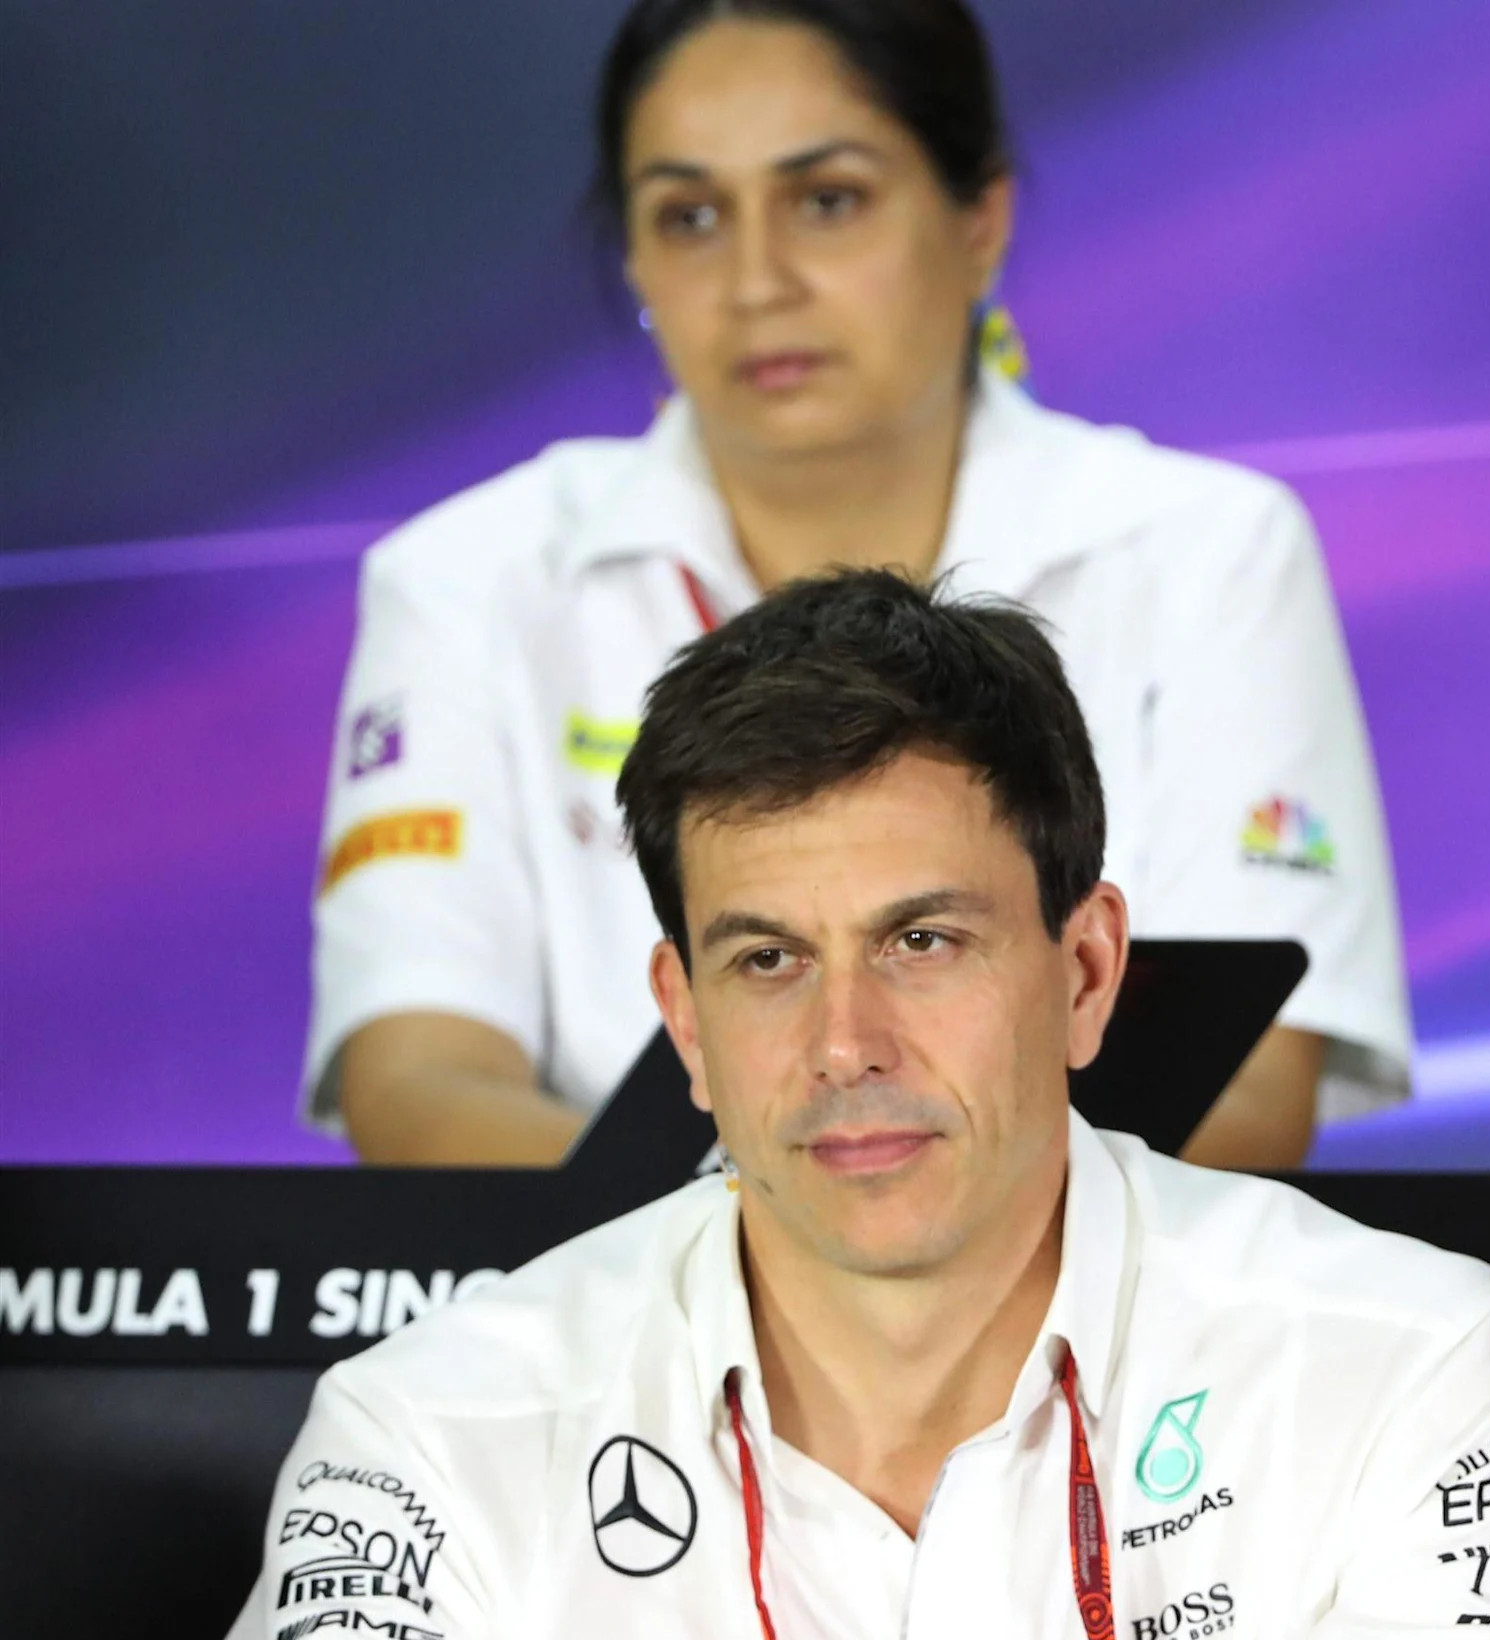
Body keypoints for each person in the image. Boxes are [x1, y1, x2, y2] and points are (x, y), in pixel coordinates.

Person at [225, 573, 1490, 1640]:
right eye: (768, 960)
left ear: (1085, 973)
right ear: (685, 1021)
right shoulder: (428, 1440)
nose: (845, 1044)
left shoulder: (1412, 1376)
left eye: (923, 942)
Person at [308, 0, 1405, 1172]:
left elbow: (1246, 1097)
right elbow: (416, 1086)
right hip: (617, 1289)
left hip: (1106, 1289)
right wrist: (777, 1230)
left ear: (979, 219)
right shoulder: (468, 581)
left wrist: (861, 1228)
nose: (755, 281)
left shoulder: (1206, 552)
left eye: (826, 200)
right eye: (689, 217)